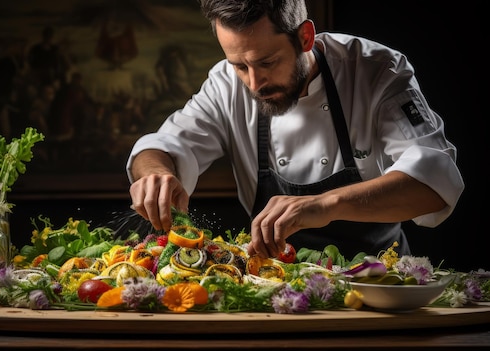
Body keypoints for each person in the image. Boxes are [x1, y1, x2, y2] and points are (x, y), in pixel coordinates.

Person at [125, 0, 464, 259]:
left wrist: (325, 204)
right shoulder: (226, 84)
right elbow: (163, 146)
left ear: (305, 37)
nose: (254, 83)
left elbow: (434, 180)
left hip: (379, 281)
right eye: (240, 66)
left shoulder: (376, 70)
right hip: (274, 283)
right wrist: (155, 173)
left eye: (268, 62)